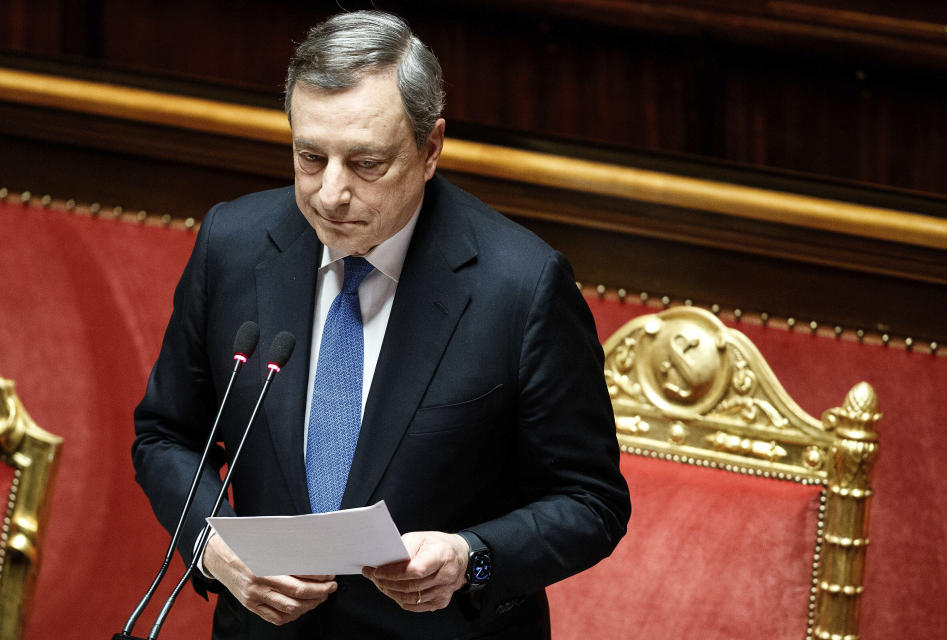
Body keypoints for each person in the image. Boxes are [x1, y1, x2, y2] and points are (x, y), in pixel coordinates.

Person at [133, 10, 630, 639]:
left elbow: (592, 501)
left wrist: (469, 557)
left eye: (366, 163)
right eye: (310, 157)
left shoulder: (521, 287)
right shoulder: (232, 245)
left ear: (430, 149)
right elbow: (164, 434)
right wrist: (212, 545)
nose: (330, 193)